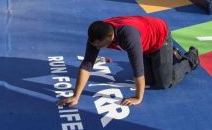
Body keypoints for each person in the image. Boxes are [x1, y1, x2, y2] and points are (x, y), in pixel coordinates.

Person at [57, 16, 199, 107]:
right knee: (149, 81)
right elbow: (87, 65)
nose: (97, 48)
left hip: (159, 37)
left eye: (99, 45)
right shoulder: (96, 37)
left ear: (110, 36)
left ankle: (191, 58)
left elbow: (138, 70)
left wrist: (138, 97)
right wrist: (76, 96)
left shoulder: (127, 37)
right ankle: (167, 57)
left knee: (163, 82)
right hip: (144, 42)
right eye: (94, 45)